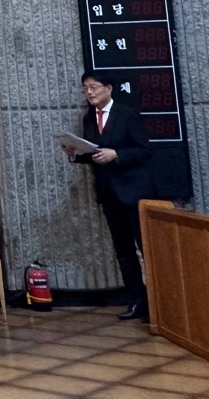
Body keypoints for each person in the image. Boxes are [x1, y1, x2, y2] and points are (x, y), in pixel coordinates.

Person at [61, 71, 154, 320]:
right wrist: (75, 154)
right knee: (123, 250)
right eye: (85, 88)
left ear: (109, 88)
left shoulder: (127, 115)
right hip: (109, 193)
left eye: (94, 87)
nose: (89, 92)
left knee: (146, 247)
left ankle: (159, 301)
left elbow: (144, 150)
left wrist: (117, 154)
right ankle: (137, 300)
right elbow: (94, 154)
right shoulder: (89, 119)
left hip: (133, 191)